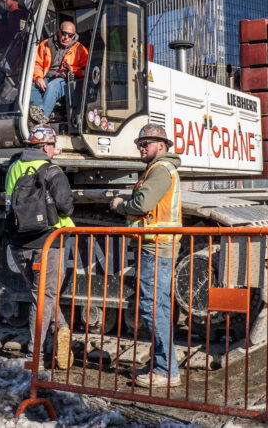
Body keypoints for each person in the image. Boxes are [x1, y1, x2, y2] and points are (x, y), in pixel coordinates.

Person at [109, 124, 182, 387]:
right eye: (140, 144)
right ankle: (163, 364)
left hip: (156, 248)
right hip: (158, 246)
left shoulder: (160, 170)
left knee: (152, 308)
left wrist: (121, 205)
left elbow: (142, 204)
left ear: (161, 146)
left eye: (146, 143)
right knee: (158, 307)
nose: (141, 148)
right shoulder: (159, 168)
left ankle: (166, 370)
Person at [5, 124, 75, 370]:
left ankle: (62, 327)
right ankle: (36, 356)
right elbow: (65, 206)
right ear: (46, 147)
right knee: (44, 298)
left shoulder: (14, 168)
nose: (55, 149)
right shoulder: (52, 171)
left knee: (40, 295)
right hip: (48, 243)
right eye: (53, 145)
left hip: (18, 243)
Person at [29, 19, 88, 124]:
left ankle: (41, 121)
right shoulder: (45, 44)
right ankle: (38, 113)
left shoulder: (80, 50)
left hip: (66, 81)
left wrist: (69, 72)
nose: (66, 37)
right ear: (59, 31)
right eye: (64, 33)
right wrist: (38, 77)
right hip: (46, 78)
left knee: (53, 86)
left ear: (74, 36)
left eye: (70, 35)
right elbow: (36, 64)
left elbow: (86, 69)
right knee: (31, 86)